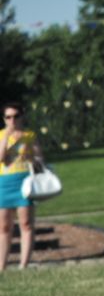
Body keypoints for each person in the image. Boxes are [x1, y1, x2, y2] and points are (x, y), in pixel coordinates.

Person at [0, 102, 45, 272]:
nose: (12, 120)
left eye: (16, 116)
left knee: (26, 223)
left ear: (22, 116)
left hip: (24, 182)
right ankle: (2, 266)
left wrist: (31, 158)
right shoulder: (0, 135)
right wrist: (7, 138)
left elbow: (41, 163)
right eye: (8, 117)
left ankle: (23, 265)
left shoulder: (29, 136)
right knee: (3, 227)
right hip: (4, 182)